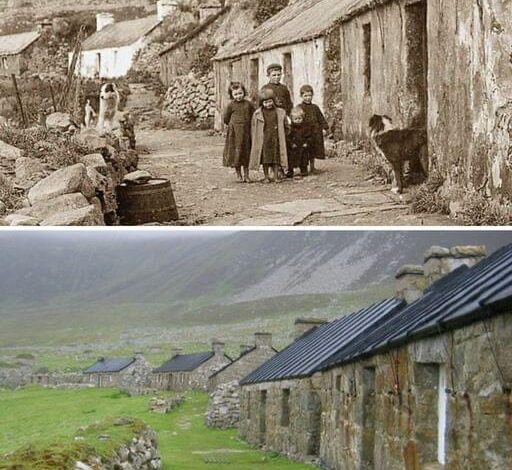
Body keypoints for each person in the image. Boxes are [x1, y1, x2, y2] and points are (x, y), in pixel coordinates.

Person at [249, 88, 289, 183]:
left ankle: (275, 176)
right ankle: (266, 176)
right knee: (265, 159)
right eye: (265, 102)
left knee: (276, 159)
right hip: (264, 140)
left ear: (274, 101)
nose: (268, 104)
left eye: (270, 101)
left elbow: (286, 125)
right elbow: (254, 128)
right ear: (261, 103)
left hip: (275, 138)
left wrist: (285, 133)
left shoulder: (280, 112)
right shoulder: (257, 114)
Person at [222, 82, 255, 183]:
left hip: (246, 133)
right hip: (235, 134)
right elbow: (226, 118)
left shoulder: (248, 104)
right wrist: (233, 126)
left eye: (240, 93)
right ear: (232, 95)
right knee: (237, 153)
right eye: (235, 94)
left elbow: (253, 115)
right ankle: (239, 174)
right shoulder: (231, 105)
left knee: (246, 152)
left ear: (244, 92)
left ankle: (246, 175)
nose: (238, 96)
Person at [298, 85, 329, 174]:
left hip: (315, 132)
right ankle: (303, 169)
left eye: (310, 95)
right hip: (304, 133)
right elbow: (296, 118)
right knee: (304, 151)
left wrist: (324, 128)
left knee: (313, 150)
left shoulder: (315, 107)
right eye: (305, 96)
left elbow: (320, 118)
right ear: (301, 96)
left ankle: (312, 167)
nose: (308, 98)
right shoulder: (300, 107)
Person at [287, 107, 312, 178]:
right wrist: (291, 143)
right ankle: (290, 171)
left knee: (303, 159)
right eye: (296, 119)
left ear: (302, 118)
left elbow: (309, 136)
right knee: (291, 159)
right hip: (294, 147)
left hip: (302, 146)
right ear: (292, 119)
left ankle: (304, 170)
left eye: (299, 118)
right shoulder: (291, 128)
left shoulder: (305, 127)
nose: (298, 120)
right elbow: (288, 137)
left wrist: (307, 143)